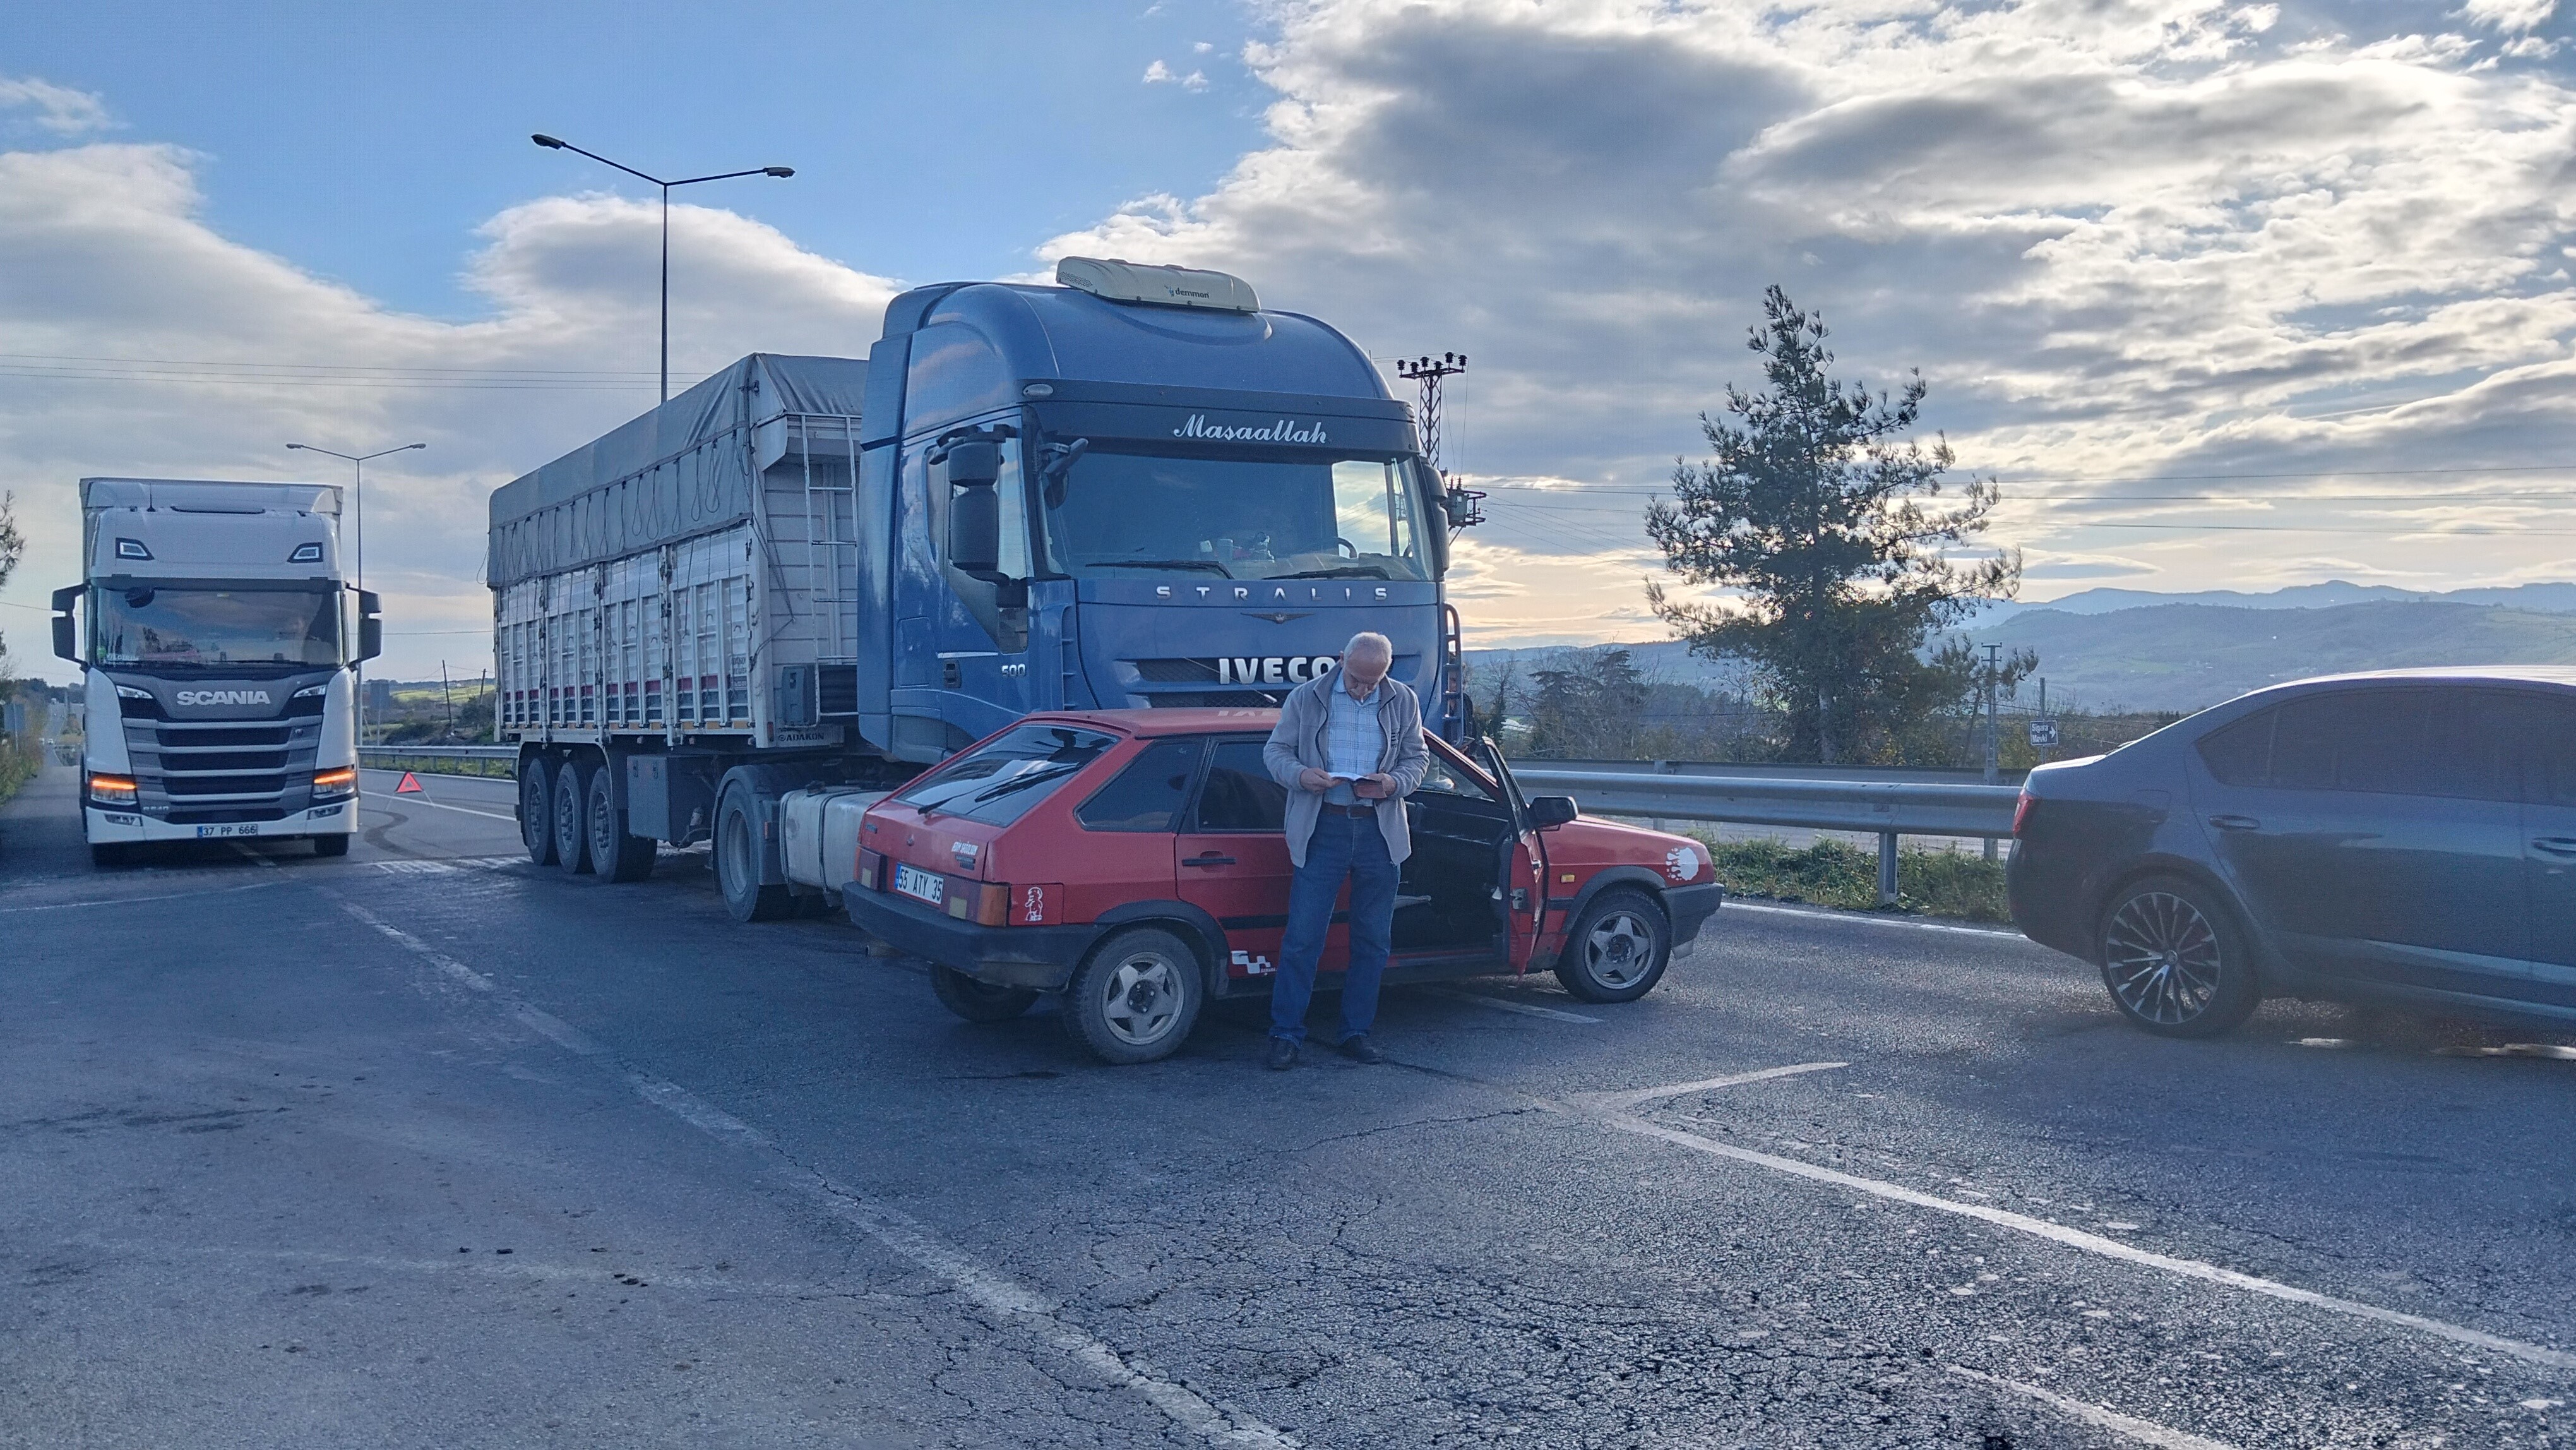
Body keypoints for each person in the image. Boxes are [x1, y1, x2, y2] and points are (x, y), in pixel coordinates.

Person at [1260, 630, 1428, 1069]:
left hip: (1379, 830)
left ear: (1386, 672)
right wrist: (1301, 776)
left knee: (1373, 940)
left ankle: (1356, 1032)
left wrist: (1393, 783)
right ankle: (1285, 1034)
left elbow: (1418, 759)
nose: (1363, 689)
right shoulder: (1306, 697)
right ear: (1341, 660)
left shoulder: (1403, 700)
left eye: (1373, 682)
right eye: (1356, 680)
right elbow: (1275, 752)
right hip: (1324, 827)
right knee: (1303, 938)